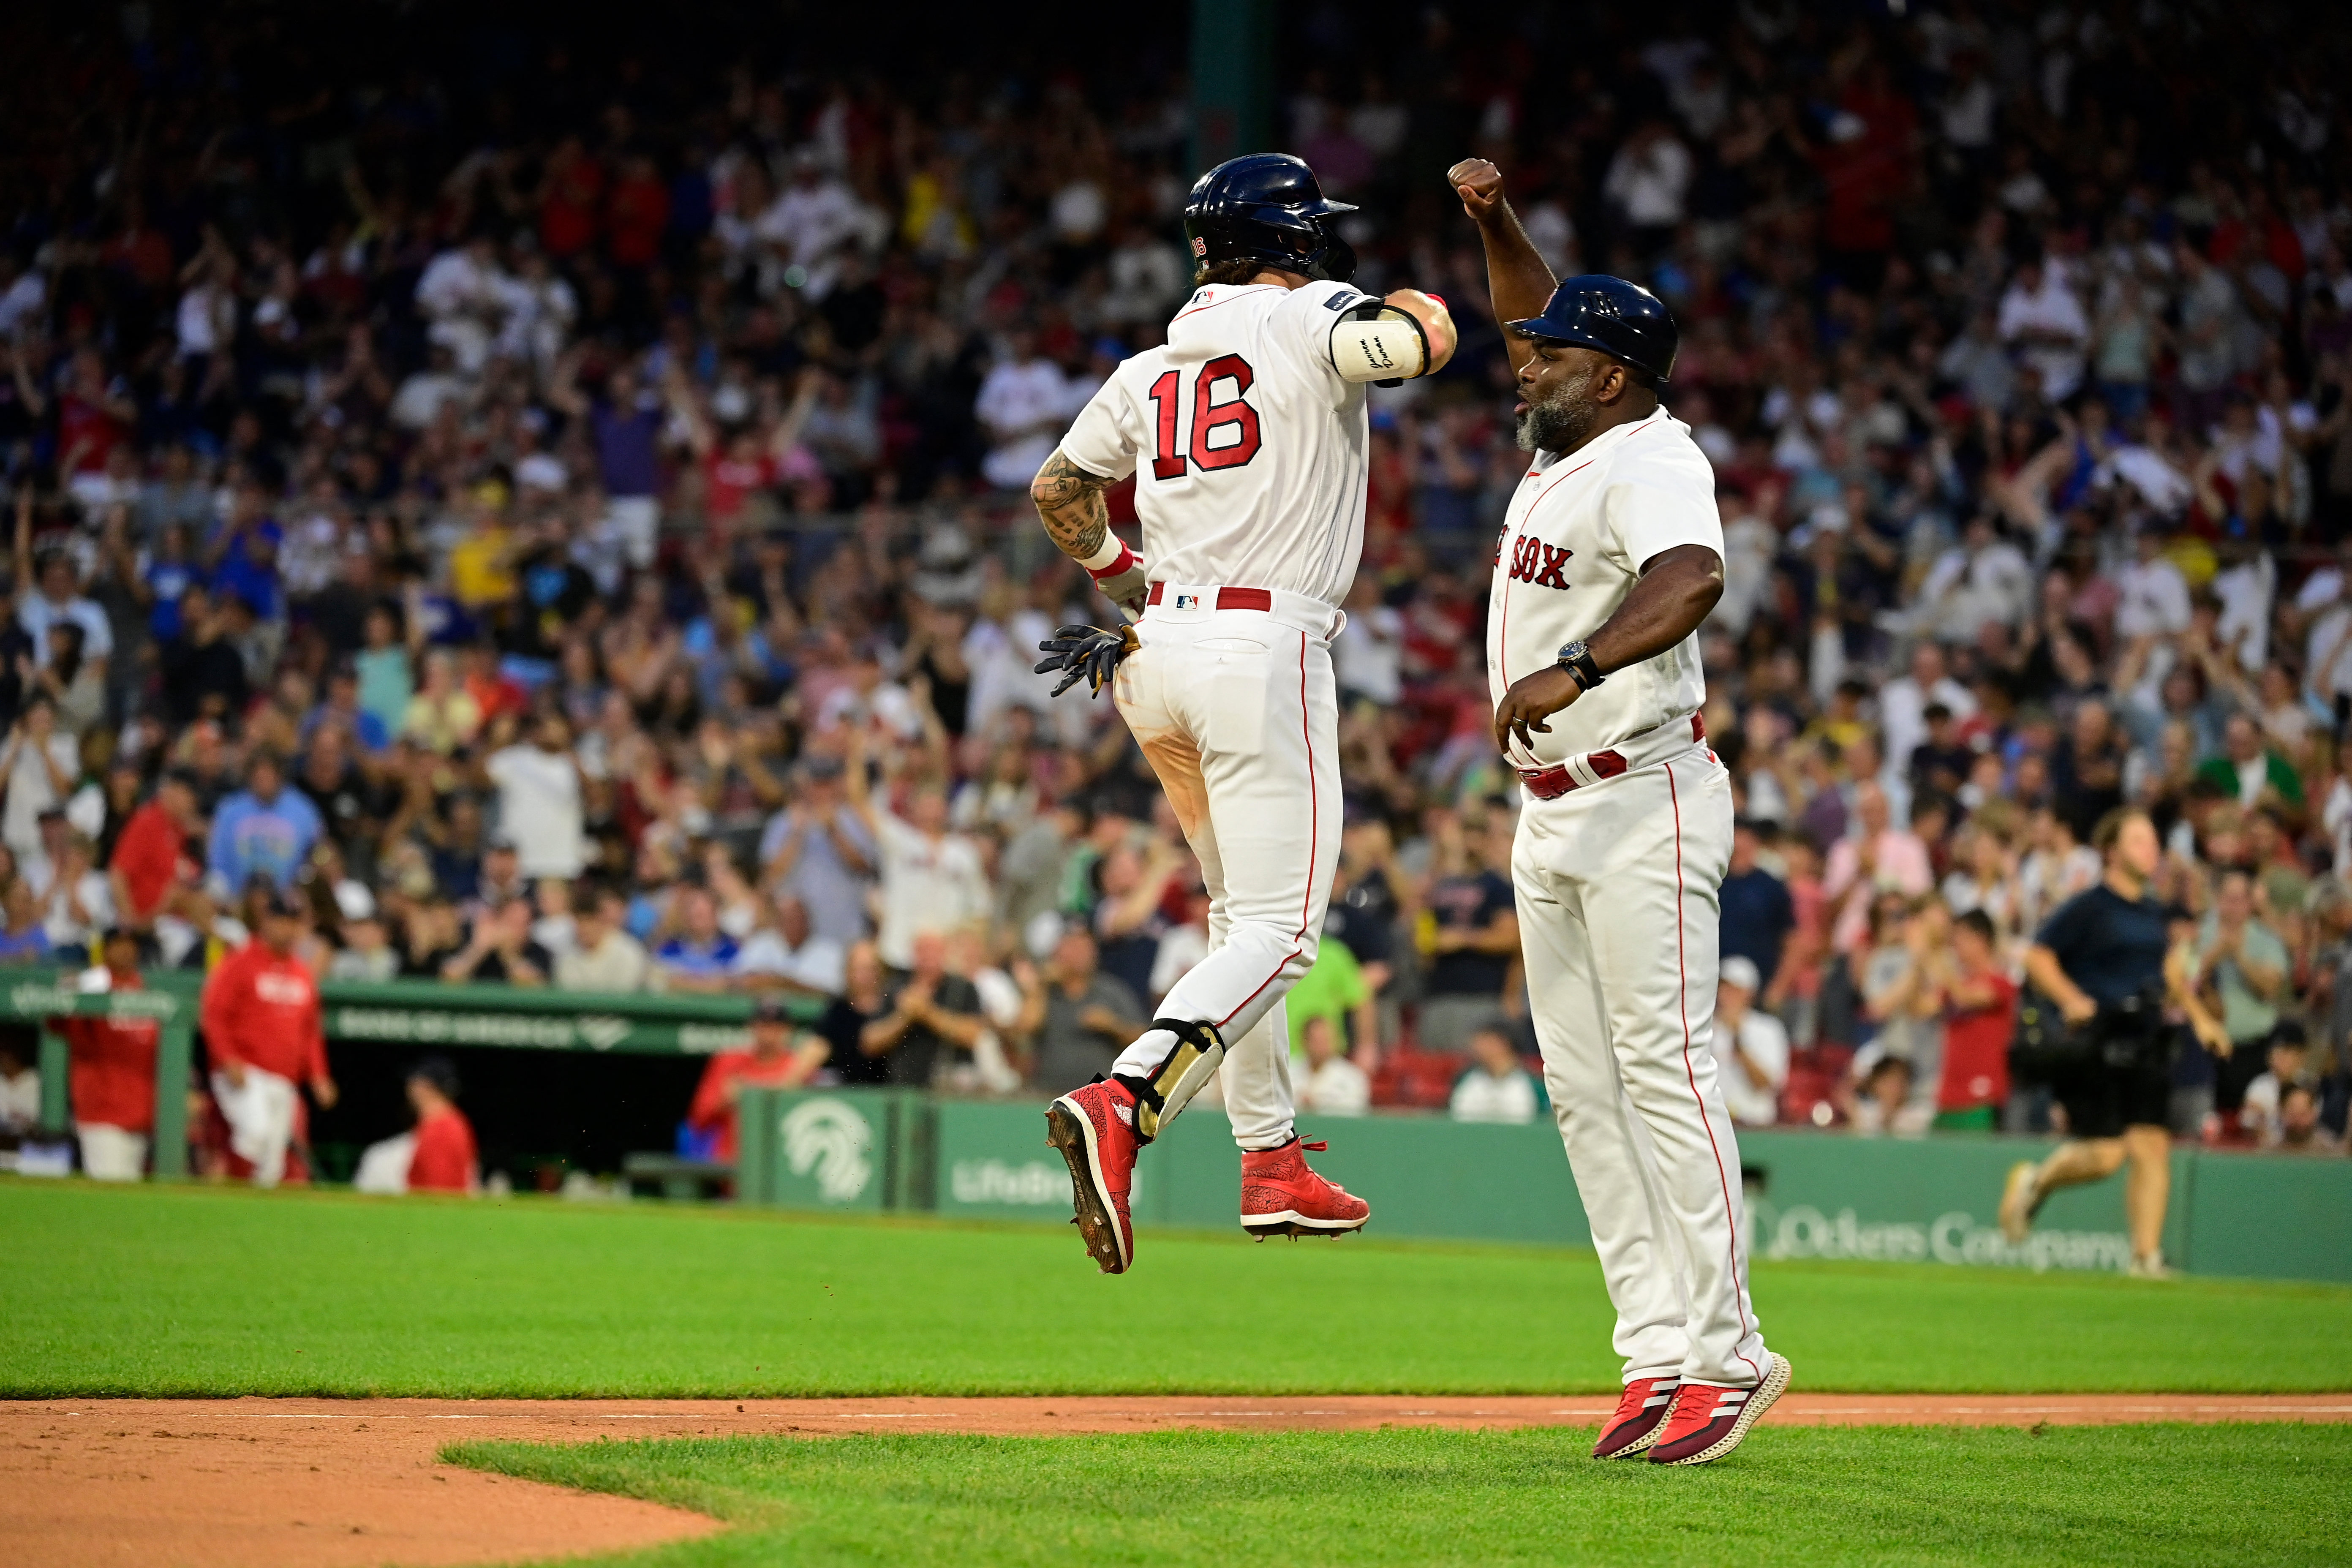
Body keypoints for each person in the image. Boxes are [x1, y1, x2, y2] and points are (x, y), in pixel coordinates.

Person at [1032, 151, 1456, 1273]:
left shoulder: (1151, 361)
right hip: (1261, 648)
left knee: (1239, 922)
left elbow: (1057, 492)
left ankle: (1269, 1159)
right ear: (1296, 240)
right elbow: (1419, 347)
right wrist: (1421, 302)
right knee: (1284, 933)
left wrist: (1124, 581)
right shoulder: (1314, 315)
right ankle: (1125, 1102)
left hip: (1152, 650)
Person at [1454, 155, 1788, 1466]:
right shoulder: (1576, 428)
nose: (1520, 364)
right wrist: (1494, 221)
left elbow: (1695, 575)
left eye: (1548, 358)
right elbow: (1531, 311)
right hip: (1552, 811)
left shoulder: (1653, 458)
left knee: (1661, 1070)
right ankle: (1653, 1349)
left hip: (1639, 788)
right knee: (1584, 1092)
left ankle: (1728, 1352)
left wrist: (1581, 662)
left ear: (1611, 374)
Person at [1999, 809, 2228, 1277]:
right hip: (2097, 1042)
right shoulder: (2090, 906)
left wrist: (2201, 1017)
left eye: (2153, 841)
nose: (2151, 850)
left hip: (2145, 1039)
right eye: (2139, 840)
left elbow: (2167, 974)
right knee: (2106, 1155)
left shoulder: (2152, 911)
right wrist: (2071, 998)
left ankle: (2145, 1258)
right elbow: (2039, 956)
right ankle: (2036, 1182)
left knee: (2151, 1146)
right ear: (2113, 850)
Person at [198, 884, 335, 1186]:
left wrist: (319, 1075)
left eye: (294, 922)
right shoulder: (240, 962)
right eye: (282, 920)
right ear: (266, 922)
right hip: (245, 1070)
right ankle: (226, 1195)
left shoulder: (301, 973)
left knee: (273, 1161)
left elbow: (310, 1032)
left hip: (285, 1078)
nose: (289, 929)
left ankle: (253, 1222)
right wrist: (227, 1058)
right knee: (255, 1133)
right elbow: (214, 1015)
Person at [54, 928, 159, 1180]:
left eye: (131, 944)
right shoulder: (93, 983)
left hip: (141, 1113)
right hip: (101, 1111)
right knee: (108, 1192)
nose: (126, 950)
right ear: (105, 949)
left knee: (129, 1199)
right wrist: (68, 991)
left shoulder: (143, 988)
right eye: (118, 944)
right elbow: (56, 1023)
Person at [687, 996, 828, 1163]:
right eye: (763, 1026)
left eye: (776, 1027)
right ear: (752, 1027)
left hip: (786, 1163)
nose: (769, 1034)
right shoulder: (728, 1062)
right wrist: (725, 1102)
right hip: (734, 1165)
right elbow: (698, 1121)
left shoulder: (800, 1067)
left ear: (788, 1029)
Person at [1015, 926, 1146, 1090]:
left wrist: (1113, 1026)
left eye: (1086, 949)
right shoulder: (1045, 992)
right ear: (1057, 953)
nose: (1080, 956)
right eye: (1073, 948)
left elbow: (1144, 1040)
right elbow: (1026, 1027)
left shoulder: (1112, 991)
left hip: (1099, 1094)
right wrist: (1040, 985)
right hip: (1048, 1093)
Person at [858, 929, 985, 1086]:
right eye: (923, 950)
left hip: (951, 1088)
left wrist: (927, 1013)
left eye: (934, 951)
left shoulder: (961, 988)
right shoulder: (896, 987)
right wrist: (904, 1017)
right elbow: (870, 1041)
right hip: (901, 1086)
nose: (928, 957)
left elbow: (974, 1035)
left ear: (945, 953)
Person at [1933, 909, 2017, 1130]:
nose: (1955, 946)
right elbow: (1918, 1008)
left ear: (1981, 940)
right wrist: (1918, 960)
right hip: (1948, 1096)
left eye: (1960, 938)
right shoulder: (1956, 986)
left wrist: (1934, 958)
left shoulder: (2001, 983)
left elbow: (1965, 999)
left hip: (1982, 1096)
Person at [1711, 956, 1788, 1128]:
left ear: (1749, 993)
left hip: (1755, 1124)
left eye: (1734, 989)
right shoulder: (1704, 1027)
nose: (1727, 995)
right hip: (1714, 1124)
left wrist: (1738, 1040)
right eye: (1724, 987)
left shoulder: (1768, 1028)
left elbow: (1766, 1085)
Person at [403, 1057, 480, 1194]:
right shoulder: (445, 1123)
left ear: (426, 1086)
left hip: (435, 1211)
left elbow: (440, 1189)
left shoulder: (442, 1127)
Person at [1450, 1022, 1542, 1124]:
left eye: (1486, 1041)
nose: (1477, 1047)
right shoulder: (1465, 1080)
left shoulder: (1534, 1085)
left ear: (1504, 1044)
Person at [1293, 1014, 1370, 1115]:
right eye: (1316, 1041)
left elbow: (1356, 1110)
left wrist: (1319, 1104)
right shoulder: (1289, 1072)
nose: (1321, 1046)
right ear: (1304, 1041)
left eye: (1325, 1040)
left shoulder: (1353, 1077)